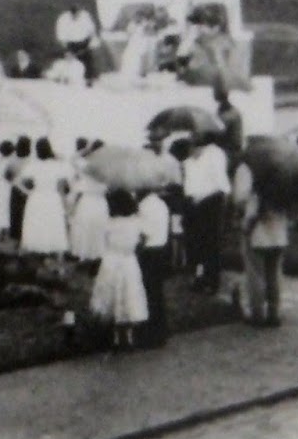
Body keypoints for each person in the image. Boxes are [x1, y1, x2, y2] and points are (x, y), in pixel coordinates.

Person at [90, 189, 148, 350]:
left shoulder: (108, 223)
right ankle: (129, 337)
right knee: (129, 295)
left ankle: (115, 338)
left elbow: (102, 242)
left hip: (111, 260)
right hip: (128, 260)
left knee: (113, 295)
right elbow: (143, 239)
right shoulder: (136, 222)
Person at [232, 160, 288, 328]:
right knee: (274, 273)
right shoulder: (283, 179)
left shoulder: (252, 171)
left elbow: (247, 205)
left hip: (258, 234)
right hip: (278, 234)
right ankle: (274, 312)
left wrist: (245, 226)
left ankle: (257, 313)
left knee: (255, 274)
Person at [180, 133, 230, 293]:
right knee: (194, 243)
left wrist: (202, 198)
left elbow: (220, 183)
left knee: (211, 242)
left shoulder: (215, 154)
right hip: (193, 202)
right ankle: (199, 277)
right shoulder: (189, 161)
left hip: (211, 201)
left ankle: (212, 280)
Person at [19, 138, 72, 261]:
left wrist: (28, 192)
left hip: (37, 196)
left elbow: (21, 181)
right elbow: (62, 186)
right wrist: (65, 203)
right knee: (53, 223)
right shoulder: (57, 165)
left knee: (37, 222)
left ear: (36, 150)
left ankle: (36, 249)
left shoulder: (33, 165)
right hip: (52, 197)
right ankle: (57, 253)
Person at [136, 184, 175, 347]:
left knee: (149, 292)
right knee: (157, 292)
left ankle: (151, 333)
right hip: (161, 249)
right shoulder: (161, 204)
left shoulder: (144, 206)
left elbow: (144, 234)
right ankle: (160, 330)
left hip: (149, 252)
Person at [69, 144, 110, 264]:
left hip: (87, 200)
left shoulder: (86, 166)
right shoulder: (109, 168)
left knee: (84, 227)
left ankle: (83, 254)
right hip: (100, 201)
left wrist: (86, 149)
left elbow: (73, 159)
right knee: (98, 228)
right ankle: (97, 255)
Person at [54, 3, 99, 82]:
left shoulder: (85, 17)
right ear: (70, 12)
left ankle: (89, 78)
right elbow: (61, 35)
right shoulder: (63, 19)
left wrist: (91, 43)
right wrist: (67, 49)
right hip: (70, 44)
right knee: (67, 61)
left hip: (84, 43)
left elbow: (91, 31)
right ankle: (63, 76)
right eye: (74, 14)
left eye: (77, 13)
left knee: (88, 60)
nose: (75, 15)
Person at [0, 140, 16, 243]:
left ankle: (3, 232)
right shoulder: (9, 162)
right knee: (7, 208)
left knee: (1, 209)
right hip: (6, 187)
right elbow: (9, 176)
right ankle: (5, 232)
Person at [8, 136, 32, 243]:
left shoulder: (13, 161)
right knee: (27, 213)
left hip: (16, 189)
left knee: (15, 213)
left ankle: (16, 237)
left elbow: (7, 175)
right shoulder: (31, 161)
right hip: (28, 189)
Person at [215, 87, 244, 163]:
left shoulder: (229, 113)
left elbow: (219, 130)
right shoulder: (226, 110)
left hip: (231, 151)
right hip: (231, 149)